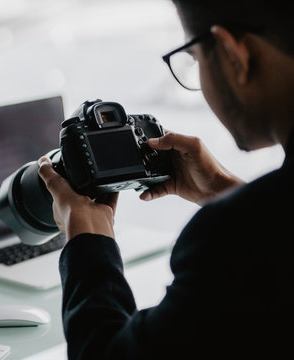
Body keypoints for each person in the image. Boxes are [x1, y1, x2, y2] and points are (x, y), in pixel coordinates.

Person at [37, 0, 294, 358]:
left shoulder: (231, 235)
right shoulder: (257, 227)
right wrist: (224, 190)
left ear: (235, 55)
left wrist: (88, 239)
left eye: (193, 60)